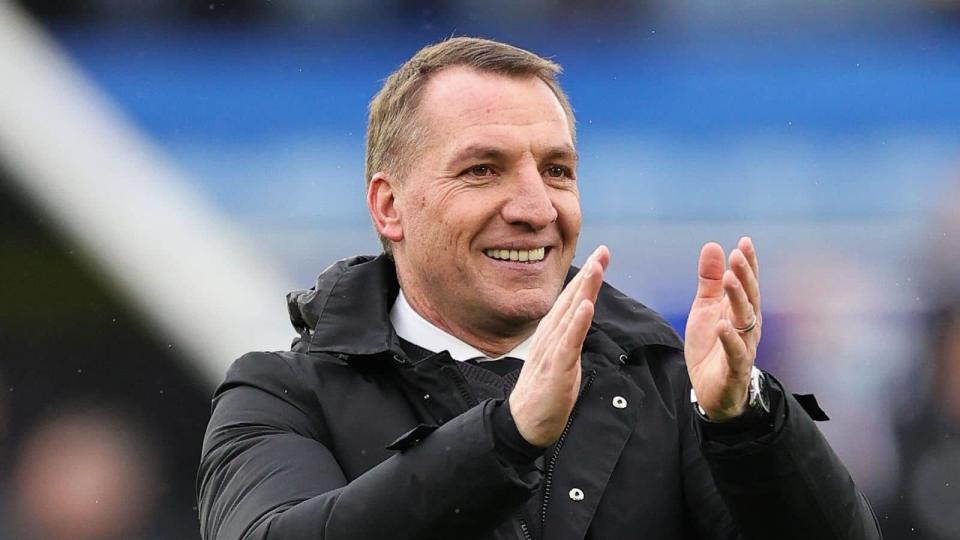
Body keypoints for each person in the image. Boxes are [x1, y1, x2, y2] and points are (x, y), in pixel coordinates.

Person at [197, 37, 882, 539]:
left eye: (557, 171)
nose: (536, 207)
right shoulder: (279, 395)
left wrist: (749, 419)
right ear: (389, 206)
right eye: (483, 170)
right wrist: (507, 437)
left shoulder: (674, 387)